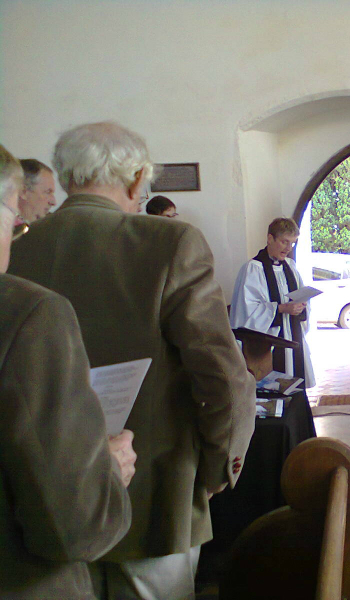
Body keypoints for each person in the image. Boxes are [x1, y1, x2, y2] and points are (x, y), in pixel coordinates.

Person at [8, 122, 256, 600]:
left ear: (66, 174)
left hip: (45, 505)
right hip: (156, 500)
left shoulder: (16, 252)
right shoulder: (170, 244)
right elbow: (224, 378)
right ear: (138, 177)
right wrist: (215, 471)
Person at [0, 143, 136, 598]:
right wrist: (109, 473)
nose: (19, 231)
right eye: (13, 218)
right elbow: (75, 527)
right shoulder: (29, 314)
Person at [229, 217, 315, 387]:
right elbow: (247, 311)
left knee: (296, 388)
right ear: (270, 238)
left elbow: (302, 299)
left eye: (292, 243)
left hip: (293, 335)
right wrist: (281, 308)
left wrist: (301, 307)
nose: (289, 248)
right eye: (284, 242)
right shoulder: (253, 269)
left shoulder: (290, 266)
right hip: (269, 346)